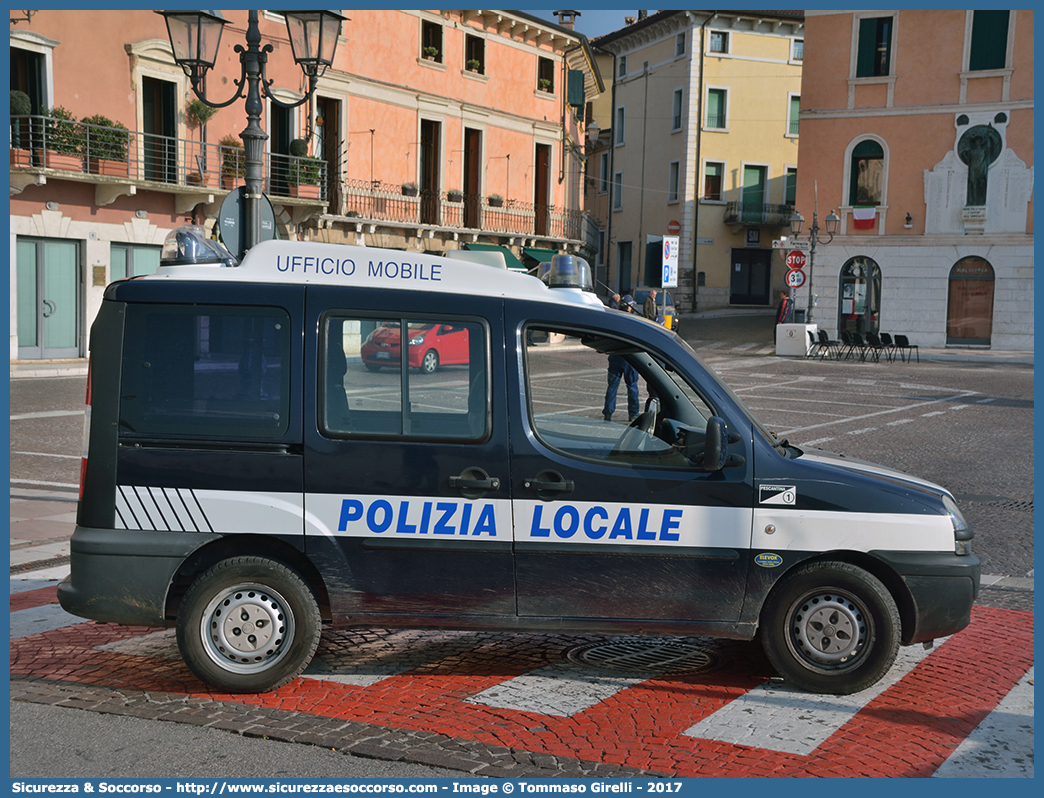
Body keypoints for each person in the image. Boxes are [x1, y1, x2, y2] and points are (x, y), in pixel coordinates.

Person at [603, 353, 640, 422]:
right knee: (632, 386)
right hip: (629, 358)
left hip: (615, 356)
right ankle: (633, 414)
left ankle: (608, 412)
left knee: (612, 386)